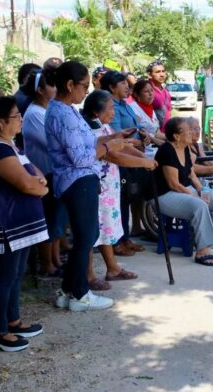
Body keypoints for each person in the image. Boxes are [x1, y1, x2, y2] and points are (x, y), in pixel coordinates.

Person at [45, 61, 130, 312]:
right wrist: (108, 148)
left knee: (86, 236)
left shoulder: (67, 109)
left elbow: (86, 142)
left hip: (80, 179)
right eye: (84, 86)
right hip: (77, 180)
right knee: (86, 237)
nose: (87, 91)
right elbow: (80, 157)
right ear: (70, 85)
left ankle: (68, 289)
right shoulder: (62, 112)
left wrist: (110, 138)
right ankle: (81, 294)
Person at [0, 96, 48, 351]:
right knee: (4, 278)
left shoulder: (11, 145)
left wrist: (38, 185)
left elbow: (36, 175)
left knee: (15, 275)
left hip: (21, 226)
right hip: (6, 226)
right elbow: (27, 183)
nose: (21, 120)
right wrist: (38, 187)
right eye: (16, 116)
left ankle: (13, 321)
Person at [82, 90, 157, 290]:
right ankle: (88, 275)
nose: (114, 113)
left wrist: (144, 159)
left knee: (105, 228)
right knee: (92, 231)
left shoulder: (103, 127)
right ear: (97, 112)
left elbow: (121, 148)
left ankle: (112, 268)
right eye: (111, 108)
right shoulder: (91, 131)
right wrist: (142, 163)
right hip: (98, 187)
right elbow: (114, 156)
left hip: (109, 187)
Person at [155, 117, 213, 266]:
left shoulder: (185, 148)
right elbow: (173, 184)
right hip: (165, 195)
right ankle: (203, 250)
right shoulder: (167, 150)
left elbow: (191, 174)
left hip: (183, 190)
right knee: (199, 205)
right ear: (176, 136)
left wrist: (201, 191)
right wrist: (196, 196)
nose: (191, 133)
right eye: (188, 130)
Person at [21, 69, 67, 278]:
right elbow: (52, 144)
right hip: (45, 172)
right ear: (40, 90)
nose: (56, 89)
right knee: (50, 218)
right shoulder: (34, 114)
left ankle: (56, 260)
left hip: (55, 171)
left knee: (57, 219)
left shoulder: (48, 110)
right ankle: (47, 264)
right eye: (51, 85)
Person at [101, 71, 146, 256]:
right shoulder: (111, 108)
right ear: (111, 87)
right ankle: (117, 241)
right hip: (118, 158)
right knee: (118, 201)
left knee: (127, 197)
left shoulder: (124, 104)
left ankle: (125, 237)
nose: (127, 86)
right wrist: (135, 143)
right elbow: (117, 136)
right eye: (122, 83)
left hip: (131, 153)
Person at [130, 79, 166, 146]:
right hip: (142, 149)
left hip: (154, 147)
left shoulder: (150, 108)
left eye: (152, 90)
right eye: (146, 91)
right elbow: (137, 133)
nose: (150, 94)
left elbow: (157, 134)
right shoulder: (133, 108)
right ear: (136, 94)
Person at [148, 60, 172, 130]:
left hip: (166, 133)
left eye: (163, 71)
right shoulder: (147, 90)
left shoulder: (166, 91)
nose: (162, 74)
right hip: (153, 134)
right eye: (158, 72)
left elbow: (169, 112)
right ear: (149, 74)